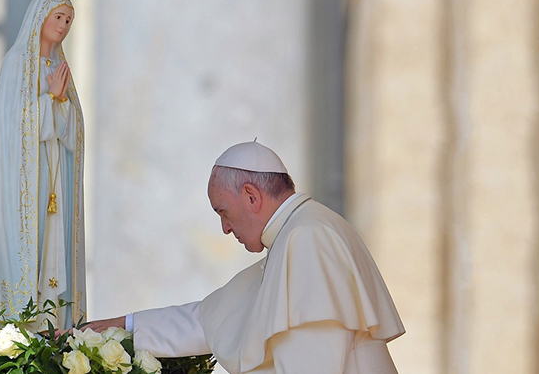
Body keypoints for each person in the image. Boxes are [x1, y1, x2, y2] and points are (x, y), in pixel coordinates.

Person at [85, 141, 405, 373]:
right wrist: (119, 328)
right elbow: (211, 320)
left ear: (251, 196)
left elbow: (314, 358)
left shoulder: (307, 238)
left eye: (223, 212)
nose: (225, 228)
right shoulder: (300, 231)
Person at [0, 0, 95, 329]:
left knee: (55, 244)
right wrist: (49, 99)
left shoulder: (60, 68)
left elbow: (74, 131)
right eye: (59, 16)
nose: (64, 25)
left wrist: (61, 103)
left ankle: (54, 320)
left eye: (69, 20)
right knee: (30, 246)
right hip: (26, 181)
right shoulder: (15, 64)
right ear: (40, 16)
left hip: (55, 174)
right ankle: (20, 321)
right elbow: (14, 126)